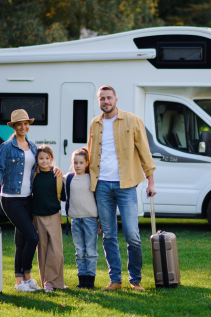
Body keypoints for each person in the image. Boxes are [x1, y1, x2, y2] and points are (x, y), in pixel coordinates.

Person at [87, 85, 157, 291]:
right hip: (102, 186)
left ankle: (135, 280)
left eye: (109, 98)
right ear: (98, 101)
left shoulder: (132, 120)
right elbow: (90, 152)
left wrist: (151, 182)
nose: (105, 102)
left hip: (126, 185)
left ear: (116, 99)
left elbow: (145, 152)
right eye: (102, 99)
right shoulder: (95, 123)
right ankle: (115, 280)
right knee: (108, 235)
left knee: (132, 234)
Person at [0, 109, 61, 292]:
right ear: (14, 126)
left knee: (21, 241)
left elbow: (43, 165)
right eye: (19, 124)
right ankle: (25, 278)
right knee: (33, 237)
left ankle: (21, 281)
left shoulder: (33, 147)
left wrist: (56, 169)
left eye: (26, 123)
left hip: (29, 199)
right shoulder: (6, 147)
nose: (23, 127)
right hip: (11, 199)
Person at [31, 145, 68, 292]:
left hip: (53, 216)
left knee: (57, 250)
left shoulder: (56, 175)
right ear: (37, 160)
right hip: (38, 217)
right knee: (42, 250)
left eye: (47, 158)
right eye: (41, 158)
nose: (44, 161)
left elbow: (63, 195)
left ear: (52, 159)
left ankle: (56, 282)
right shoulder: (34, 174)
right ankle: (47, 283)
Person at [64, 147, 100, 289]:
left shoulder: (92, 178)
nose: (78, 165)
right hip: (75, 220)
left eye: (81, 162)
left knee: (90, 251)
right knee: (79, 251)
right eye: (75, 162)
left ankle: (90, 281)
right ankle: (81, 280)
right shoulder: (68, 178)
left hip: (90, 219)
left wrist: (100, 220)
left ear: (86, 163)